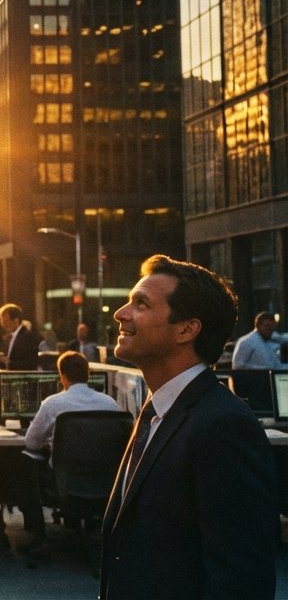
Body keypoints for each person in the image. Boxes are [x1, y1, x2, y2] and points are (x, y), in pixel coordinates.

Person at [100, 255, 278, 599]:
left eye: (141, 304)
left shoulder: (223, 426)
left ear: (186, 329)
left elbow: (241, 582)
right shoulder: (157, 411)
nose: (120, 313)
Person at [14, 350, 119, 549]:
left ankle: (39, 537)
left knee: (26, 461)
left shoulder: (53, 403)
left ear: (62, 377)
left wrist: (50, 445)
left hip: (64, 482)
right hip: (104, 483)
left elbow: (31, 443)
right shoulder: (110, 403)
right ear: (89, 375)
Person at [0, 303, 40, 370]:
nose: (3, 324)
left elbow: (31, 363)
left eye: (5, 321)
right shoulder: (7, 338)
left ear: (16, 320)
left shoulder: (28, 337)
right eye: (1, 321)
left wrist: (9, 363)